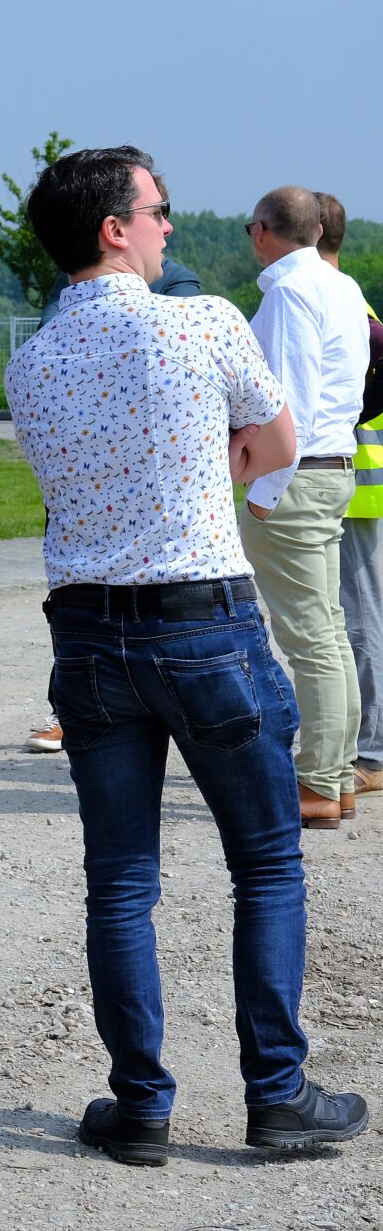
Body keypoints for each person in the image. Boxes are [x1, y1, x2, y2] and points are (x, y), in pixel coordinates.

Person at [7, 145, 365, 1163]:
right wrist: (205, 469)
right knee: (266, 862)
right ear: (114, 228)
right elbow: (278, 442)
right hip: (202, 620)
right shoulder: (203, 321)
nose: (168, 224)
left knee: (120, 880)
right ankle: (277, 1093)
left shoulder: (30, 361)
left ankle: (140, 1105)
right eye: (156, 209)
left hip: (87, 630)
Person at [24, 252, 211, 753]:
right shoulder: (72, 277)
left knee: (153, 599)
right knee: (77, 591)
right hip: (85, 472)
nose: (163, 229)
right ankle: (67, 708)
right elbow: (49, 341)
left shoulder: (178, 283)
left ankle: (173, 706)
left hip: (148, 475)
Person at [237, 185, 370, 829]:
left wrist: (263, 493)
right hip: (333, 468)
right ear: (317, 230)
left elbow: (290, 403)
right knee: (329, 632)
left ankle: (317, 781)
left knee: (312, 638)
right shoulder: (342, 286)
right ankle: (335, 776)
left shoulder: (289, 293)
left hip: (295, 476)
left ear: (262, 231)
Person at [315, 194, 383, 801]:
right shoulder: (347, 297)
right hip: (353, 479)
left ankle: (372, 751)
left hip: (357, 482)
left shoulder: (339, 302)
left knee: (357, 617)